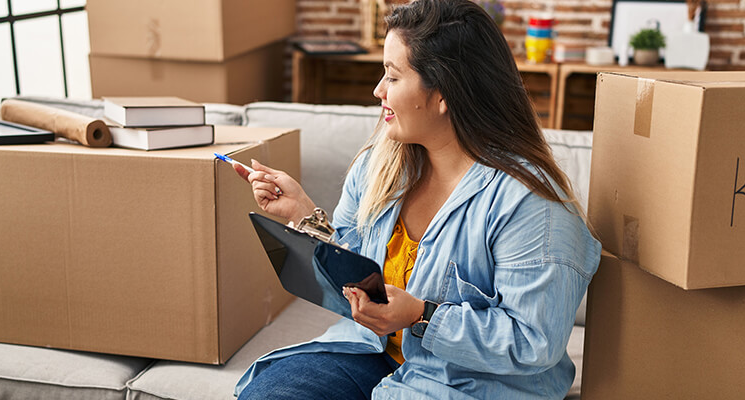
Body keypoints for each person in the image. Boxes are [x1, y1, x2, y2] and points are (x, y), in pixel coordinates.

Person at [231, 0, 600, 398]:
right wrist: (304, 214)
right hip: (372, 352)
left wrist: (421, 316)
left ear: (444, 94)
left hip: (468, 381)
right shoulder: (380, 165)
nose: (378, 91)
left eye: (392, 76)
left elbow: (532, 341)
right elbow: (354, 270)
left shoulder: (531, 204)